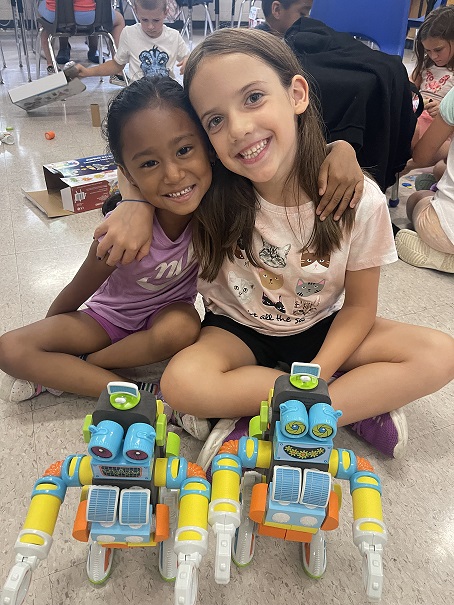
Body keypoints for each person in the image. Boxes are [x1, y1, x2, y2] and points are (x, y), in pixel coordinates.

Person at [0, 76, 212, 406]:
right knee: (9, 349)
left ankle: (88, 366)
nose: (173, 174)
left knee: (183, 329)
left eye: (184, 150)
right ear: (128, 173)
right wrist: (54, 338)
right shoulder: (120, 233)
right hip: (107, 320)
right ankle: (137, 394)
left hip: (168, 316)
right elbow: (77, 289)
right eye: (149, 163)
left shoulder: (218, 210)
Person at [396, 86, 454, 273]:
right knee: (440, 168)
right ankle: (437, 187)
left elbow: (421, 156)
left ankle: (442, 256)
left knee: (415, 199)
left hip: (444, 228)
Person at [74, 0, 189, 87]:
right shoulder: (129, 33)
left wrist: (188, 61)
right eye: (144, 20)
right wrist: (88, 72)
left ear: (166, 13)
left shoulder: (174, 36)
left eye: (156, 20)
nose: (150, 26)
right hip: (138, 93)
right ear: (135, 11)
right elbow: (117, 64)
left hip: (167, 92)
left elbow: (189, 58)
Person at [408, 5, 454, 169]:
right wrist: (417, 102)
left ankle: (411, 166)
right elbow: (408, 89)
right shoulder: (426, 64)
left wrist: (442, 109)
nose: (433, 55)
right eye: (428, 50)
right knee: (408, 129)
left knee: (439, 168)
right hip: (419, 121)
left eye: (438, 49)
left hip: (443, 130)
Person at [38, 0, 125, 74]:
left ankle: (51, 64)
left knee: (44, 22)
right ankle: (118, 70)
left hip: (57, 16)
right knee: (119, 20)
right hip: (91, 16)